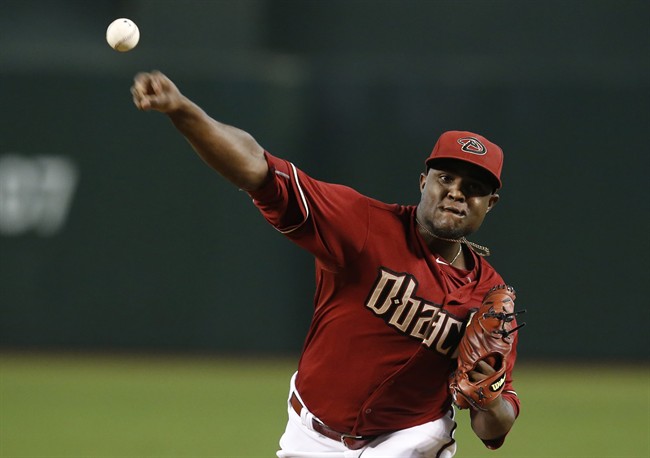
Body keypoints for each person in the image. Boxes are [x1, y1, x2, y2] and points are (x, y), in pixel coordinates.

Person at [131, 70, 521, 458]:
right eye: (446, 178)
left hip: (411, 442)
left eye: (473, 188)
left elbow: (492, 431)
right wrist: (182, 110)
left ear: (491, 204)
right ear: (423, 182)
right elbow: (259, 170)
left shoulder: (489, 297)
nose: (455, 192)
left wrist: (489, 398)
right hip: (310, 436)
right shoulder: (363, 224)